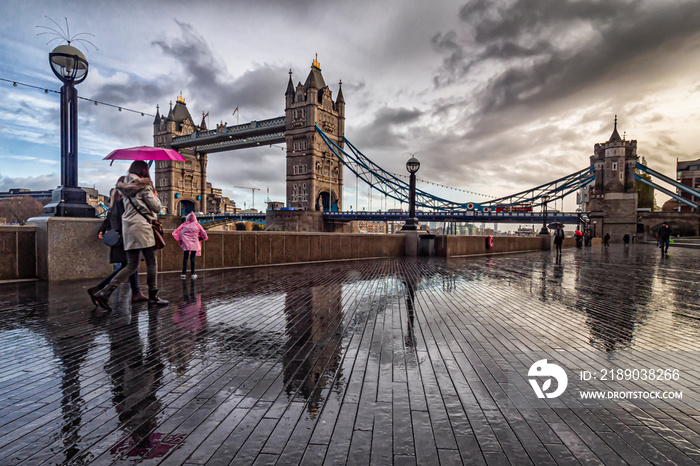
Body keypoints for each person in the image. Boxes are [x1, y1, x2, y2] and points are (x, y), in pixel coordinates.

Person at [94, 161, 168, 311]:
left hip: (128, 229)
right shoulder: (145, 188)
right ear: (144, 171)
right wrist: (155, 195)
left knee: (131, 265)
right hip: (142, 228)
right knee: (152, 262)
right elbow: (157, 207)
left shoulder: (124, 189)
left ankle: (104, 292)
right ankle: (153, 297)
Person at [87, 177, 147, 305]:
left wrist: (101, 230)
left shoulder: (115, 203)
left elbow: (108, 220)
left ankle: (136, 293)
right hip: (126, 240)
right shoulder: (123, 203)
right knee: (130, 266)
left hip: (121, 241)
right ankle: (99, 289)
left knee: (131, 266)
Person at [172, 212, 208, 279]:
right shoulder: (198, 225)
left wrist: (183, 240)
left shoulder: (184, 225)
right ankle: (193, 273)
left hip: (186, 244)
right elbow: (204, 234)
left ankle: (183, 273)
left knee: (185, 258)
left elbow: (179, 233)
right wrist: (201, 238)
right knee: (192, 258)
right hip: (194, 243)